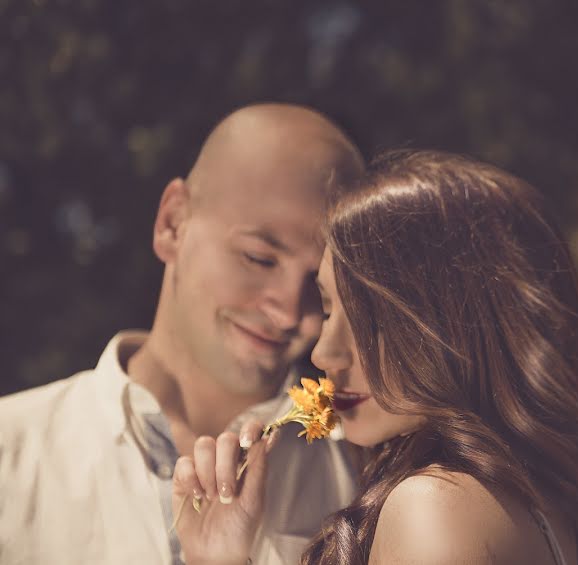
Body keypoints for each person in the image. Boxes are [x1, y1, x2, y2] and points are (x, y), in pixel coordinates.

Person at [173, 150, 578, 564]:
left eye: (373, 322)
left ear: (459, 322)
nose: (325, 352)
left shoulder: (436, 507)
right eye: (329, 310)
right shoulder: (526, 505)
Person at [0, 104, 365, 564]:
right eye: (259, 258)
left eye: (319, 284)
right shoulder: (10, 452)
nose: (290, 311)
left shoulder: (365, 477)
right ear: (172, 223)